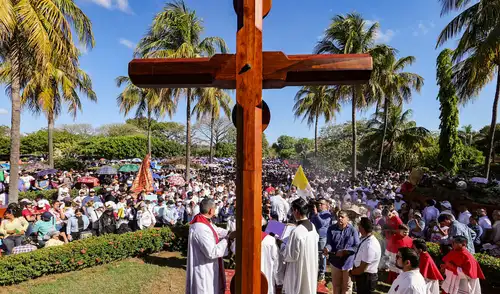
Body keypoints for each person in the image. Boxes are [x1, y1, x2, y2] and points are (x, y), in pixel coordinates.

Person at [186, 198, 233, 294]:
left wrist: (229, 233)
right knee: (206, 289)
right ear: (211, 210)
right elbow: (212, 252)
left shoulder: (204, 221)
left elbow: (215, 230)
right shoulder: (200, 227)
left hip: (210, 265)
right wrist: (227, 239)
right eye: (215, 208)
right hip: (204, 267)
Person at [281, 198, 319, 294]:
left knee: (299, 289)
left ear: (296, 211)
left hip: (298, 269)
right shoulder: (312, 226)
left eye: (293, 210)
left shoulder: (297, 232)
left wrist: (282, 245)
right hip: (310, 266)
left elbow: (291, 256)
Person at [323, 210, 360, 294]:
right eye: (338, 216)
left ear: (347, 219)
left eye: (342, 217)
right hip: (335, 262)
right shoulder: (331, 229)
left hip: (348, 262)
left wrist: (346, 252)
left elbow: (357, 246)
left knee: (347, 287)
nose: (339, 218)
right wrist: (327, 249)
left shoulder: (353, 230)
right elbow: (329, 243)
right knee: (336, 286)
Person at [350, 217, 381, 294]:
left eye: (359, 225)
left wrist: (352, 273)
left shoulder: (370, 245)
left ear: (362, 228)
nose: (358, 226)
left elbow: (362, 268)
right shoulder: (366, 239)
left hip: (367, 278)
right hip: (363, 276)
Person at [311, 198, 332, 281]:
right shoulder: (316, 213)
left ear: (326, 206)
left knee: (322, 255)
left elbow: (322, 224)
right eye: (318, 204)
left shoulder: (327, 214)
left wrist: (316, 214)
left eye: (321, 204)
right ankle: (315, 270)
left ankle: (322, 272)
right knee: (315, 254)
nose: (319, 205)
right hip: (314, 236)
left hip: (322, 237)